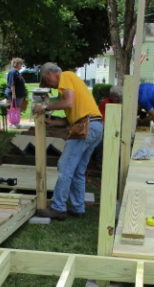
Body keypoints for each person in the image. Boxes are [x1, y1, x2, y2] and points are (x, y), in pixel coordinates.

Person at [32, 62, 103, 220]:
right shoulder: (70, 85)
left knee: (64, 167)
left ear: (51, 73)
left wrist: (44, 107)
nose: (51, 85)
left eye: (46, 81)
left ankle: (58, 208)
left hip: (86, 127)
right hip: (94, 126)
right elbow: (70, 119)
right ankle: (78, 208)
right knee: (78, 171)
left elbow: (68, 103)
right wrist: (53, 122)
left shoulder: (65, 76)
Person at [5, 57, 27, 127]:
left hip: (19, 94)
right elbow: (12, 84)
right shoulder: (12, 72)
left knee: (17, 109)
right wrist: (13, 94)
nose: (21, 65)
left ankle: (15, 122)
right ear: (15, 64)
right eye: (20, 63)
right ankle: (13, 123)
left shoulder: (17, 72)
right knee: (14, 108)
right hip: (15, 94)